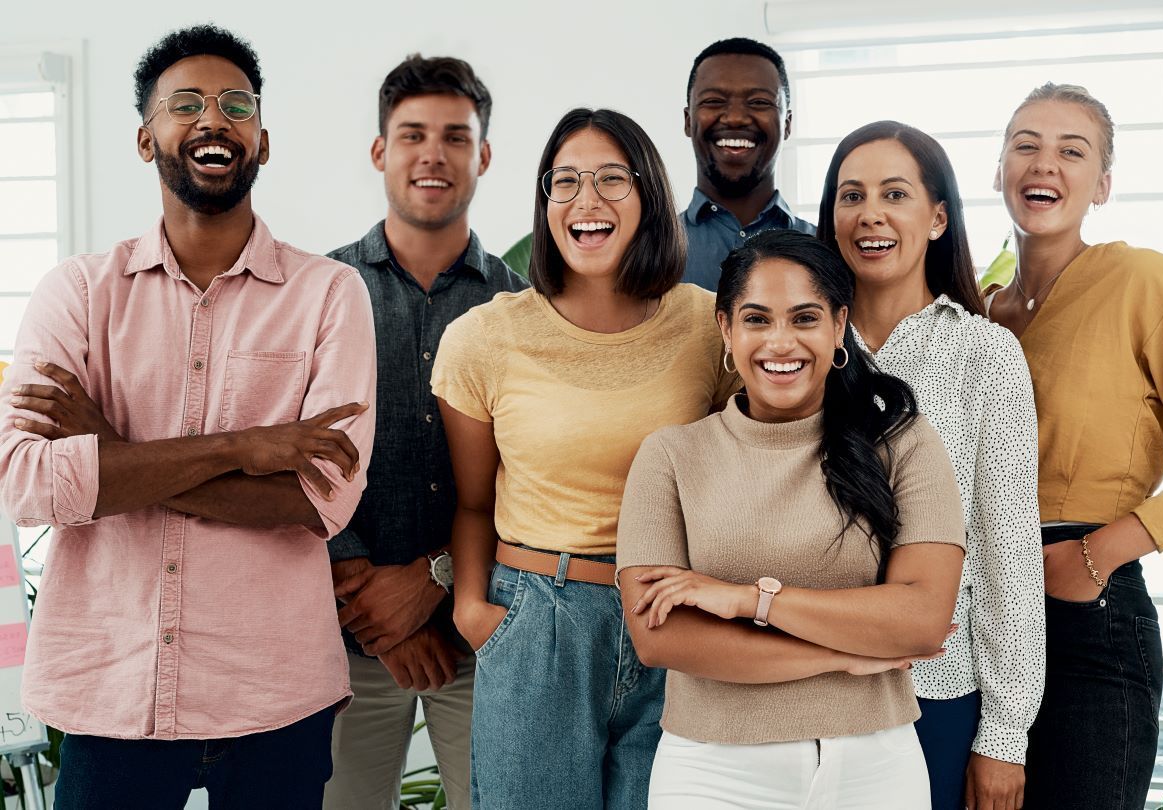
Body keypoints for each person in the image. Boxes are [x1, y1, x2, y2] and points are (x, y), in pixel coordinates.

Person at [0, 25, 376, 809]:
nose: (214, 118)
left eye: (235, 105)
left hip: (274, 696)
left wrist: (110, 452)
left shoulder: (328, 296)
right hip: (111, 696)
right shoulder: (76, 295)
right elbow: (27, 482)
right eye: (186, 104)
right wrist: (248, 446)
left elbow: (318, 502)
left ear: (262, 141)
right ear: (146, 139)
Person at [431, 107, 739, 810]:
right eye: (563, 182)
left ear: (649, 197)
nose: (586, 200)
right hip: (537, 619)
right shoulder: (485, 339)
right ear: (545, 205)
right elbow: (474, 502)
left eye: (609, 179)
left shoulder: (706, 324)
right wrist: (478, 614)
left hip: (673, 614)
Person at [986, 82, 1163, 810]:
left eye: (1071, 151)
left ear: (1103, 185)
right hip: (981, 618)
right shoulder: (982, 310)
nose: (1043, 164)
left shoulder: (1143, 281)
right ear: (998, 170)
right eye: (1025, 145)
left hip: (1090, 616)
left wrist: (1098, 555)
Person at [616, 229, 965, 809]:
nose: (781, 342)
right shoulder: (671, 456)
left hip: (875, 765)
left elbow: (922, 617)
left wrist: (749, 600)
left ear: (837, 326)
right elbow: (661, 636)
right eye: (757, 319)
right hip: (712, 772)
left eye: (804, 318)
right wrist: (844, 657)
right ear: (726, 329)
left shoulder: (903, 443)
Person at [816, 121, 1045, 810]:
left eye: (895, 193)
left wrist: (1004, 736)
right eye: (851, 195)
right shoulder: (794, 345)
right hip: (804, 684)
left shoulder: (986, 355)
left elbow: (1008, 549)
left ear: (938, 217)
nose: (870, 213)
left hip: (936, 694)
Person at [323, 54, 525, 810]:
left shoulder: (521, 308)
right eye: (411, 135)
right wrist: (374, 609)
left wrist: (434, 580)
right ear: (381, 152)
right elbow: (295, 460)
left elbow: (533, 474)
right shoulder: (323, 293)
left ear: (484, 156)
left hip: (482, 639)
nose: (432, 154)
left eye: (454, 136)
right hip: (345, 639)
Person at [681, 37, 815, 290]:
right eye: (714, 101)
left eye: (759, 102)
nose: (735, 118)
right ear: (688, 121)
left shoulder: (829, 249)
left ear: (787, 124)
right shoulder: (646, 249)